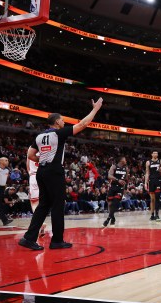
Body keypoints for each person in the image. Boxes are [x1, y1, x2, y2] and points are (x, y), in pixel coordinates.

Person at [19, 98, 103, 250]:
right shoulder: (58, 134)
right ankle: (57, 240)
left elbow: (30, 155)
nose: (64, 123)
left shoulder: (39, 136)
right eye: (63, 120)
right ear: (57, 122)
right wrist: (95, 109)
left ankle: (28, 238)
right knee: (58, 205)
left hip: (41, 171)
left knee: (43, 205)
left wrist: (43, 158)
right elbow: (83, 124)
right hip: (53, 171)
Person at [103, 156, 128, 227]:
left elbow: (126, 179)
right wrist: (118, 180)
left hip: (120, 188)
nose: (126, 160)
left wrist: (125, 188)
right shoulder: (114, 166)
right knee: (110, 203)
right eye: (124, 159)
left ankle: (108, 219)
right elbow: (109, 176)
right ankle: (113, 218)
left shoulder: (126, 168)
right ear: (121, 160)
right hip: (113, 186)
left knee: (115, 202)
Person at [26, 151, 46, 237]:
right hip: (45, 177)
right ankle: (41, 226)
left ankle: (41, 223)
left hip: (34, 176)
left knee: (34, 203)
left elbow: (28, 166)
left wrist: (30, 173)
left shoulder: (31, 150)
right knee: (43, 203)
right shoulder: (45, 150)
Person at [145, 151, 161, 222]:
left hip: (158, 180)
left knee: (157, 198)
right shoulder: (148, 162)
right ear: (151, 154)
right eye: (154, 153)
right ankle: (152, 215)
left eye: (157, 153)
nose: (156, 154)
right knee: (152, 199)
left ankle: (157, 215)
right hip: (151, 181)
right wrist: (145, 183)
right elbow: (147, 173)